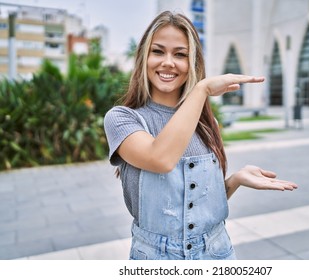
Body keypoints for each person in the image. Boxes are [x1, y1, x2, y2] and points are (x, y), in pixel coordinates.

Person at [103, 11, 298, 260]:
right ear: (143, 57)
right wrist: (202, 89)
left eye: (181, 54)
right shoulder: (122, 119)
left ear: (192, 63)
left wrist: (235, 180)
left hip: (217, 252)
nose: (168, 62)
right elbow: (160, 158)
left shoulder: (207, 124)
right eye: (158, 51)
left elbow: (196, 209)